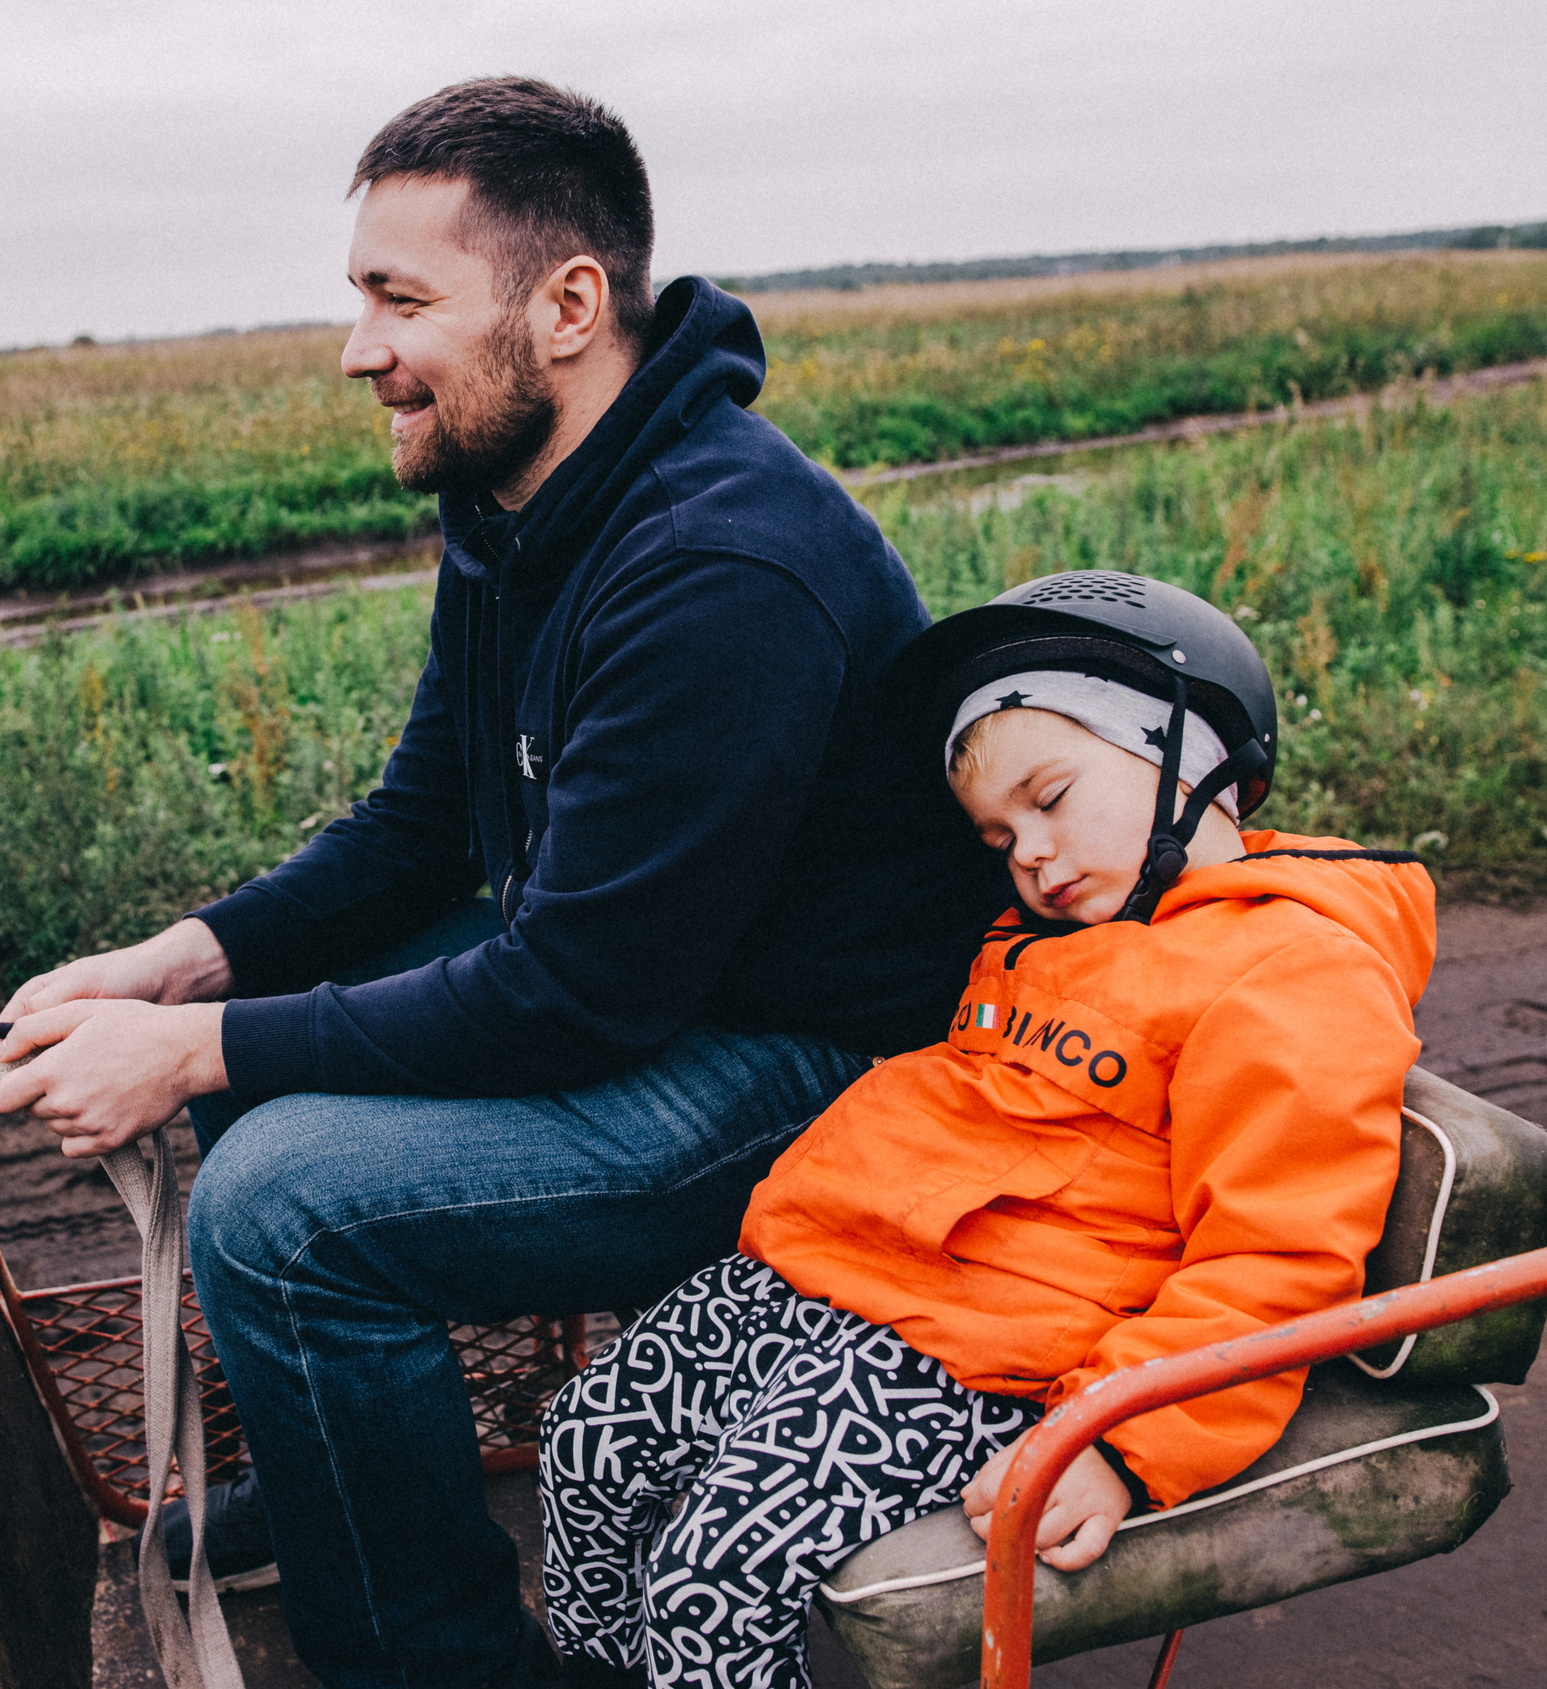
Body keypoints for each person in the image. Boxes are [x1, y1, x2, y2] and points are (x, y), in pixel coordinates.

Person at [0, 78, 1006, 1687]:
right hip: (671, 972)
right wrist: (178, 964)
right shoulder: (521, 493)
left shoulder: (717, 562)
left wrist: (192, 1051)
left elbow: (577, 995)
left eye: (403, 299)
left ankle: (433, 1655)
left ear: (569, 304)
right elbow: (422, 826)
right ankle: (347, 1482)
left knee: (282, 1212)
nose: (357, 348)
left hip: (820, 1061)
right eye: (359, 296)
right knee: (259, 1061)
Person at [537, 572, 1437, 1689]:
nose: (1030, 856)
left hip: (982, 1355)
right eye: (1000, 835)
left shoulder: (1293, 972)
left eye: (1052, 798)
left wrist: (1118, 1440)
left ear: (1192, 751)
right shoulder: (1059, 930)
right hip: (838, 1272)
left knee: (708, 1581)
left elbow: (1276, 1254)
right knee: (584, 1445)